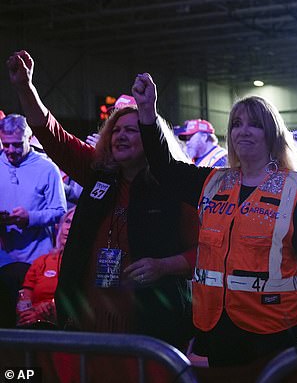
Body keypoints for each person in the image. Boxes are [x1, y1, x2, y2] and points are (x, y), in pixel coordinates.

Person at [132, 73, 297, 370]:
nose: (243, 131)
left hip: (275, 327)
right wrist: (148, 113)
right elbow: (165, 168)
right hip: (218, 323)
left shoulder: (293, 188)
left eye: (254, 124)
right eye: (236, 124)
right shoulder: (214, 181)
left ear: (271, 135)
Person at [7, 51, 196, 354]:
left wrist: (164, 266)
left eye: (131, 130)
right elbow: (53, 134)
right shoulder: (99, 175)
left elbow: (206, 252)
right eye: (115, 130)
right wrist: (24, 87)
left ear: (153, 137)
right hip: (88, 322)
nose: (120, 136)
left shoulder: (174, 188)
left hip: (151, 330)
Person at [0, 114, 67, 265]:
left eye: (17, 145)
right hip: (3, 257)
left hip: (37, 259)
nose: (10, 150)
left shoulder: (48, 169)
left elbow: (60, 211)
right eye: (5, 145)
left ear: (29, 139)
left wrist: (30, 217)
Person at [17, 207, 75, 328]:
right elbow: (24, 298)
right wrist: (30, 313)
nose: (69, 227)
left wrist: (49, 309)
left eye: (75, 223)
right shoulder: (42, 261)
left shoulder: (86, 264)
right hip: (34, 323)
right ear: (59, 227)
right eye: (67, 221)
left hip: (65, 324)